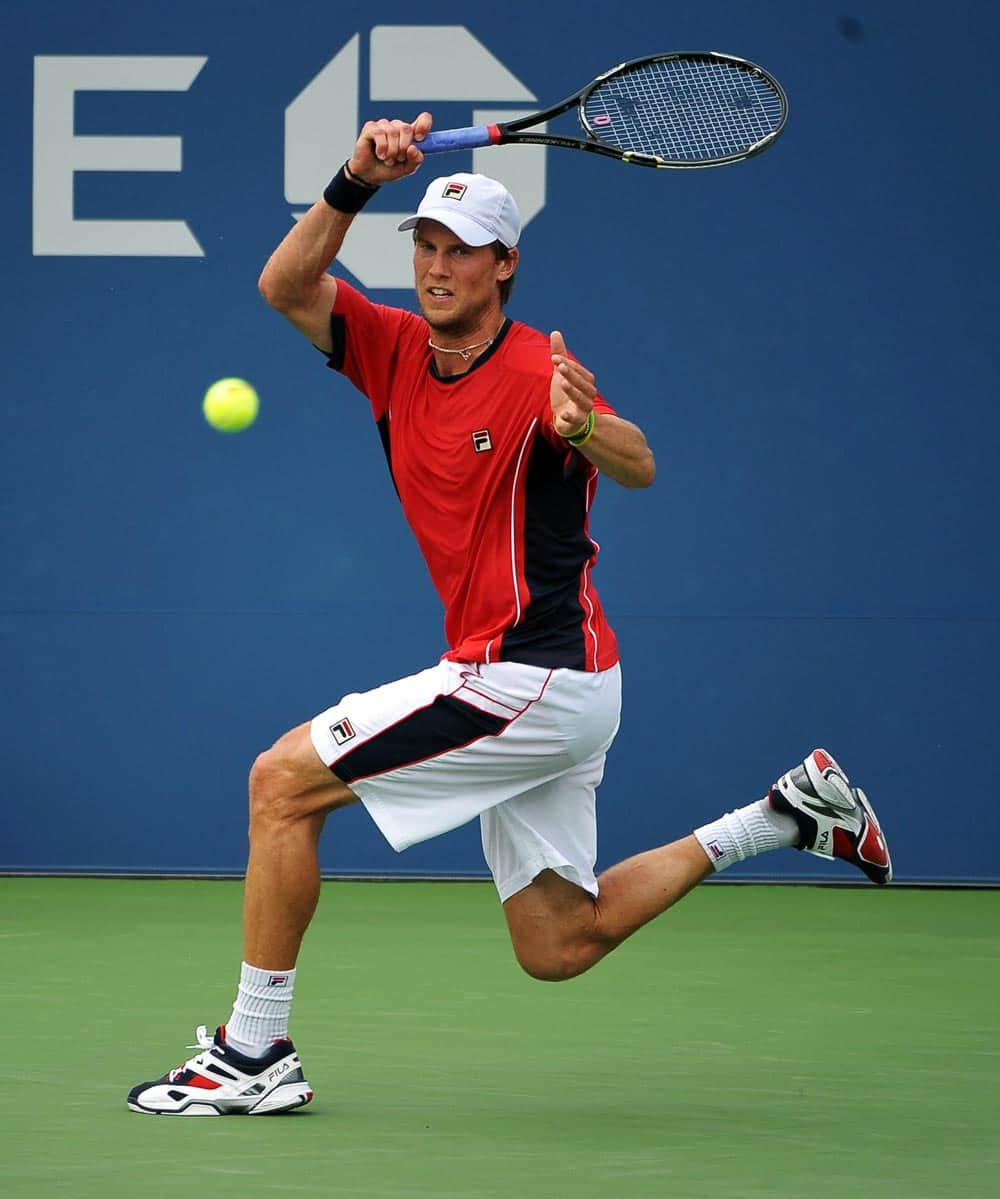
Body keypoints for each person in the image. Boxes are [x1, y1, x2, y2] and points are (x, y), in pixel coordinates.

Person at [127, 113, 892, 1116]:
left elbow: (641, 462)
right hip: (557, 681)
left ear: (504, 269)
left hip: (530, 673)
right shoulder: (393, 351)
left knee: (281, 783)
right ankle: (786, 812)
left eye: (462, 254)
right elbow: (284, 285)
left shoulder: (538, 374)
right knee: (557, 941)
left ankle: (252, 1050)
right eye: (426, 248)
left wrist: (588, 427)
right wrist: (354, 175)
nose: (438, 267)